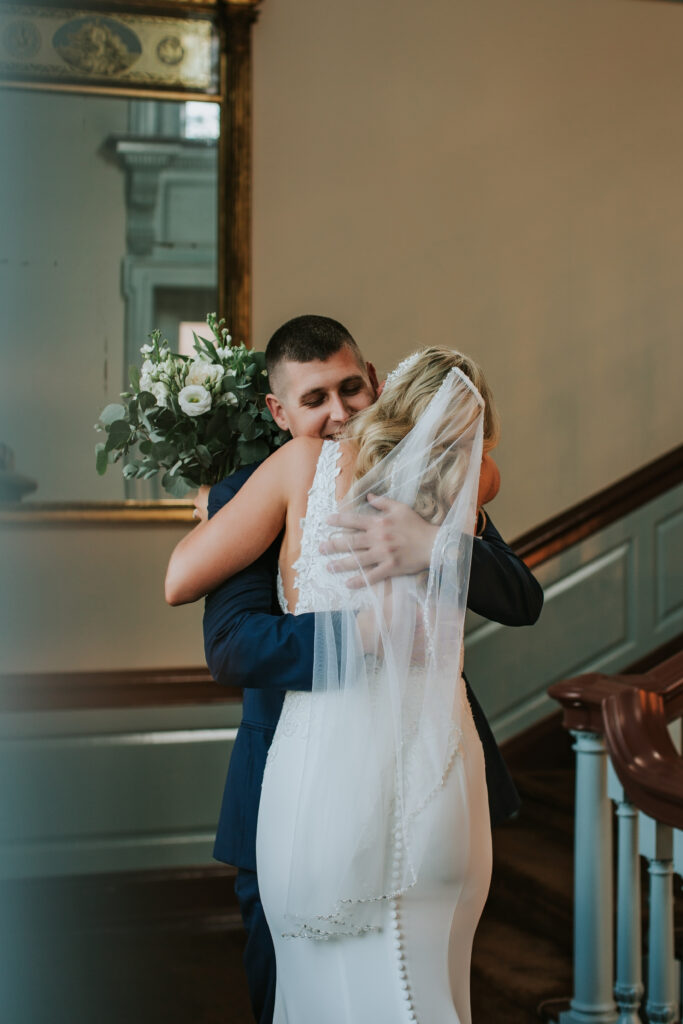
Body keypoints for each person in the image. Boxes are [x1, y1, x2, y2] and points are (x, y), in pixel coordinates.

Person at [167, 322, 543, 1023]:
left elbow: (519, 592)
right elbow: (231, 645)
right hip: (294, 770)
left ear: (375, 381)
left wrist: (433, 544)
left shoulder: (438, 474)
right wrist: (361, 634)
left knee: (415, 977)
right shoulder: (265, 486)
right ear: (280, 414)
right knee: (291, 985)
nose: (339, 412)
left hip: (426, 770)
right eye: (316, 399)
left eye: (351, 388)